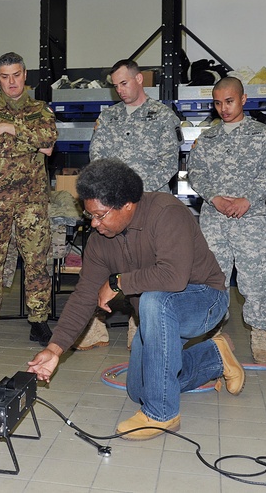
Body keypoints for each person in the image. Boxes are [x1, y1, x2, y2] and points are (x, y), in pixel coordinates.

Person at [27, 159, 244, 439]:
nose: (94, 222)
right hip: (158, 315)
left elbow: (173, 277)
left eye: (101, 215)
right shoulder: (100, 239)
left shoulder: (167, 212)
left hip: (204, 300)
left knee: (154, 299)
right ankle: (215, 357)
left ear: (127, 205)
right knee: (138, 389)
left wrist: (118, 282)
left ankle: (161, 414)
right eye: (89, 214)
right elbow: (83, 296)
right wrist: (54, 349)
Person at [77, 58, 183, 351]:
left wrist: (132, 195)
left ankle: (139, 329)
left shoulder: (163, 116)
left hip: (146, 208)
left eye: (124, 83)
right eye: (115, 86)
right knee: (99, 267)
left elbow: (169, 164)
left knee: (143, 268)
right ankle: (95, 327)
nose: (120, 90)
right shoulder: (109, 118)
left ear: (140, 80)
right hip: (110, 210)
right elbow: (96, 158)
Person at [187, 77, 266, 364]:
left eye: (229, 101)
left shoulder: (263, 135)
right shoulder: (207, 138)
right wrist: (214, 198)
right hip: (214, 220)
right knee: (213, 278)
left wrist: (248, 199)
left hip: (249, 219)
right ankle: (215, 332)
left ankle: (259, 335)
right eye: (217, 103)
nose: (223, 108)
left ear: (243, 99)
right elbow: (196, 173)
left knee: (254, 278)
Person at [0, 52, 58, 348]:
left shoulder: (40, 108)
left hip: (32, 200)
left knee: (36, 261)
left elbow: (50, 143)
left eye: (16, 75)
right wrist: (32, 140)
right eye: (4, 77)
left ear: (25, 74)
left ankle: (39, 322)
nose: (11, 82)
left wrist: (9, 127)